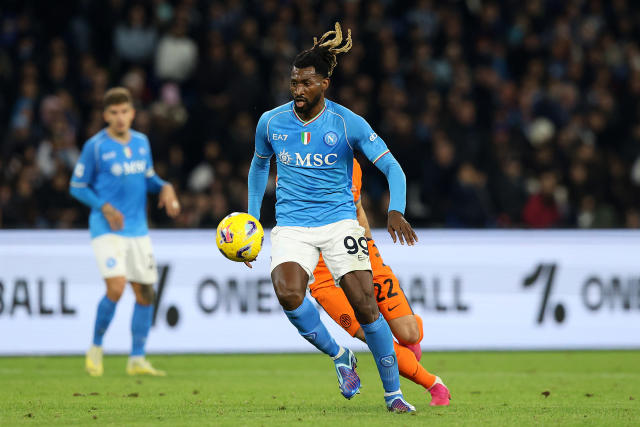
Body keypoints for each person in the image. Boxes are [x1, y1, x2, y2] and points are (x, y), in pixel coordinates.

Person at [247, 23, 418, 412]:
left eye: (306, 83)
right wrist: (253, 219)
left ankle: (393, 395)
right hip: (292, 225)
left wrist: (396, 209)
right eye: (294, 82)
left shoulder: (346, 123)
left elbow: (392, 168)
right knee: (288, 292)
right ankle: (340, 355)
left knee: (366, 305)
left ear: (324, 83)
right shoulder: (271, 122)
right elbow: (259, 166)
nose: (298, 90)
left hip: (340, 223)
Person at [310, 158, 451, 406]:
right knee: (372, 334)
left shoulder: (347, 163)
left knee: (409, 333)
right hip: (323, 274)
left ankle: (408, 342)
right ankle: (434, 385)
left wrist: (369, 248)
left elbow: (356, 208)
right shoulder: (290, 164)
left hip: (358, 252)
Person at [69, 87, 180, 376]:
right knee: (116, 287)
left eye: (124, 111)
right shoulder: (95, 146)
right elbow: (77, 186)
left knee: (145, 294)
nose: (120, 117)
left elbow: (149, 178)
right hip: (106, 228)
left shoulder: (142, 142)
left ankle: (137, 359)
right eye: (114, 112)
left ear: (132, 113)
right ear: (105, 115)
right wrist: (104, 207)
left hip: (137, 230)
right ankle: (96, 347)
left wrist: (165, 187)